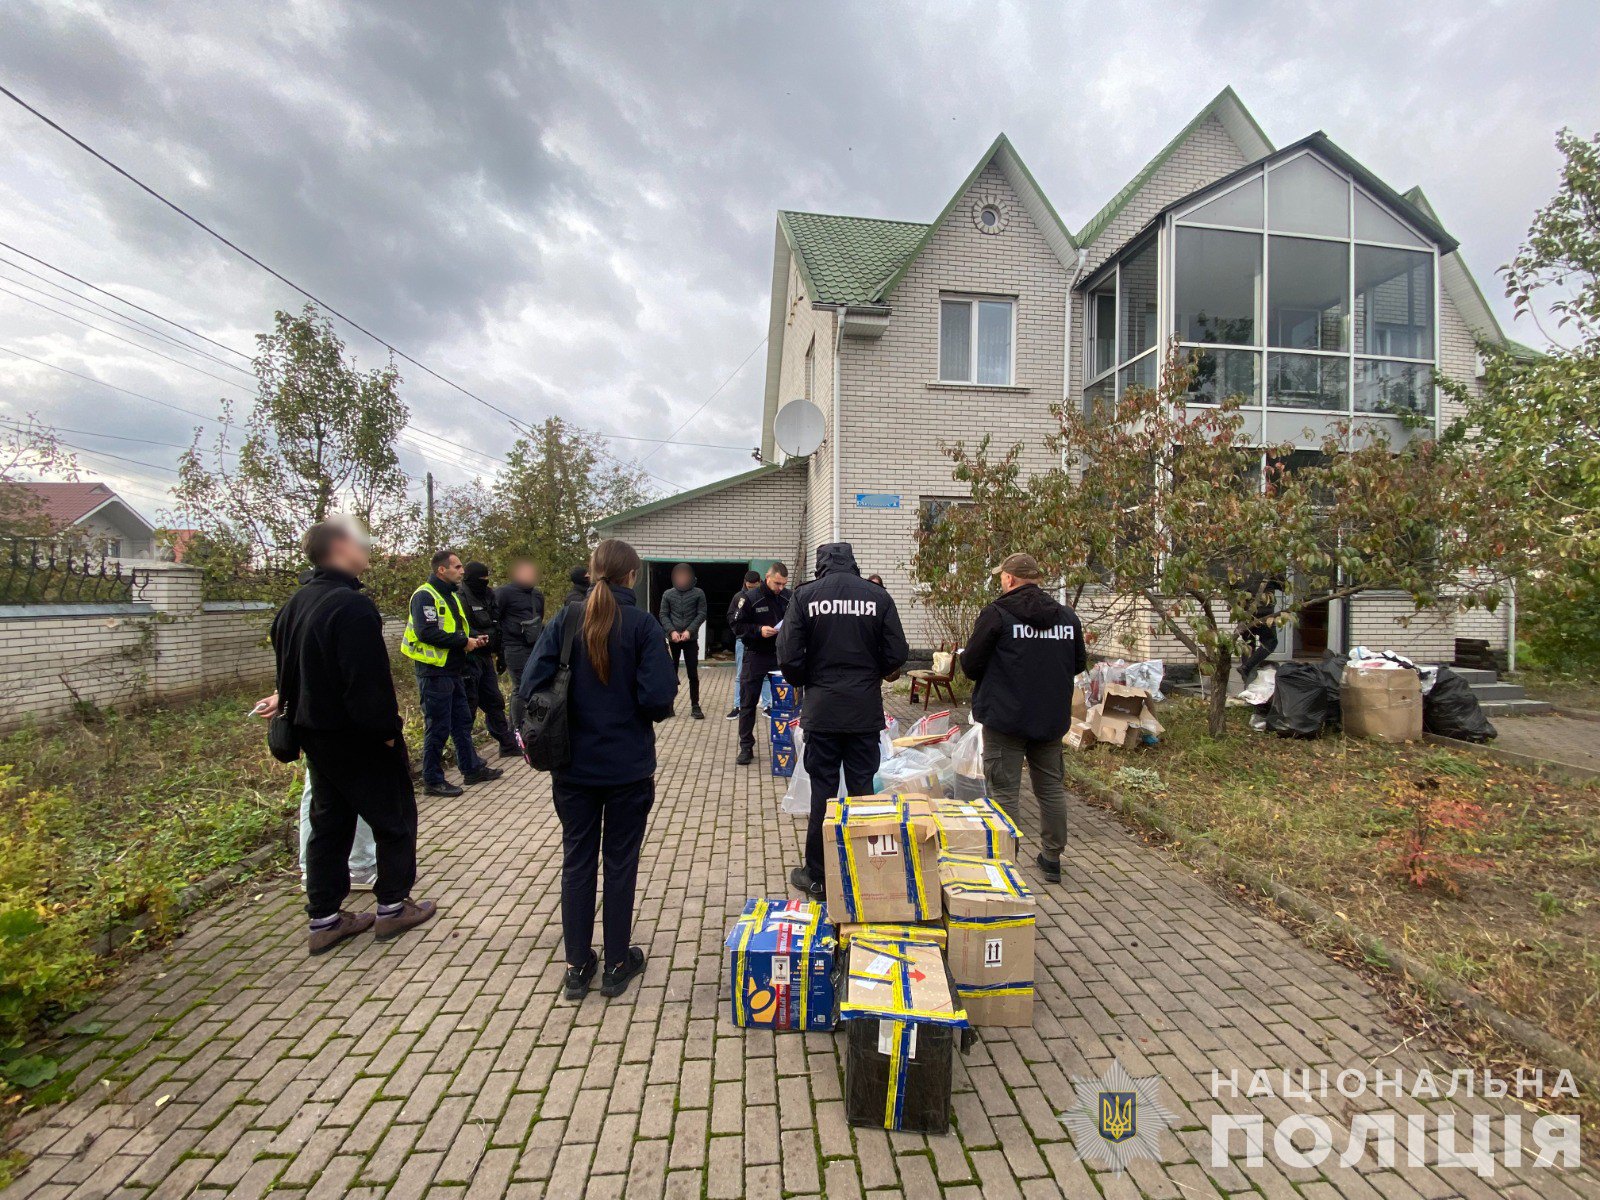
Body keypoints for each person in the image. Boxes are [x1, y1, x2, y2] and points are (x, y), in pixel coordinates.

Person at [269, 519, 435, 954]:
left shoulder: (296, 603)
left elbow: (289, 670)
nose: (367, 550)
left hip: (315, 737)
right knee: (394, 819)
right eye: (360, 543)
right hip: (358, 737)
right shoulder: (352, 606)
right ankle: (393, 908)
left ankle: (324, 919)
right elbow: (367, 682)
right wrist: (385, 734)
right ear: (340, 546)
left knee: (329, 824)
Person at [521, 538, 676, 1001]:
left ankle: (576, 966)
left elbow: (530, 684)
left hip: (571, 767)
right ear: (632, 576)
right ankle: (616, 963)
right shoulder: (643, 625)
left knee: (577, 860)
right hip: (627, 767)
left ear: (593, 573)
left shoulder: (566, 619)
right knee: (620, 863)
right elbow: (657, 697)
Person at [777, 543, 908, 898]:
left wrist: (812, 680)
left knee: (823, 790)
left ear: (821, 565)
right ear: (853, 563)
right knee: (863, 789)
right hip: (864, 711)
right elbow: (898, 652)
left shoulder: (805, 596)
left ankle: (817, 876)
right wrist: (869, 676)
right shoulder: (876, 596)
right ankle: (867, 869)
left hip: (822, 710)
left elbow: (788, 655)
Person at [958, 552, 1085, 884]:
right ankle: (1052, 858)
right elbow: (1079, 664)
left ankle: (1004, 863)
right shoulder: (1067, 618)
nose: (1001, 580)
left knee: (1005, 792)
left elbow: (970, 666)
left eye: (1002, 575)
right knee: (1051, 789)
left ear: (1010, 579)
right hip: (1049, 721)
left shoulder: (997, 614)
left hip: (1005, 721)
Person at [251, 690, 377, 890]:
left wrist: (282, 693)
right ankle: (358, 866)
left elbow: (294, 661)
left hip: (314, 712)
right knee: (358, 784)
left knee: (318, 788)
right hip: (337, 710)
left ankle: (313, 869)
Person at [402, 549, 504, 797]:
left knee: (461, 722)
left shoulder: (450, 596)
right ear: (441, 570)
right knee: (437, 727)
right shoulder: (425, 596)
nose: (462, 571)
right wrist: (462, 642)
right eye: (457, 567)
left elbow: (453, 629)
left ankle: (471, 769)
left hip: (454, 669)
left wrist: (471, 640)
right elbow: (427, 633)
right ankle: (432, 780)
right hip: (434, 672)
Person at [731, 561, 789, 765]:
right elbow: (736, 625)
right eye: (777, 583)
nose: (780, 588)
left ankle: (788, 745)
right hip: (755, 655)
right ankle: (746, 746)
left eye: (783, 584)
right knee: (747, 703)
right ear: (768, 577)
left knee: (787, 704)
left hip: (780, 656)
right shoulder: (749, 598)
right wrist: (758, 631)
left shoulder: (787, 597)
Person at [461, 562, 520, 758]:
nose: (484, 582)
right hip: (468, 658)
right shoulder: (460, 596)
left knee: (494, 701)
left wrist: (500, 653)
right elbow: (461, 627)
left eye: (487, 579)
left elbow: (498, 625)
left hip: (486, 657)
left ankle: (507, 744)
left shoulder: (489, 594)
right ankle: (468, 755)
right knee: (469, 706)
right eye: (481, 579)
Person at [495, 558, 545, 725]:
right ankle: (517, 729)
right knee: (521, 688)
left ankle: (531, 726)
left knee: (535, 686)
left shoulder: (537, 595)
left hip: (534, 647)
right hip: (514, 647)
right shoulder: (504, 593)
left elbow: (539, 617)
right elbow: (495, 619)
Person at [658, 563, 707, 719]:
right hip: (673, 640)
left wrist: (689, 631)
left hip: (690, 640)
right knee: (670, 674)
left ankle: (695, 705)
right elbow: (663, 614)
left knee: (692, 673)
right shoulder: (668, 594)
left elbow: (701, 614)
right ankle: (669, 705)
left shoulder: (699, 593)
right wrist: (671, 631)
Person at [725, 570, 761, 719]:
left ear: (760, 582)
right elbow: (731, 618)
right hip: (743, 639)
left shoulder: (765, 596)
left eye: (754, 586)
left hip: (762, 639)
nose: (751, 589)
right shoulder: (739, 597)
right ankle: (738, 705)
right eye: (749, 586)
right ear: (745, 583)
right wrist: (740, 632)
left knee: (765, 676)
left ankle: (768, 705)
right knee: (740, 674)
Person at [1238, 576, 1284, 681]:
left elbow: (1231, 588)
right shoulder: (1269, 569)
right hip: (1264, 613)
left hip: (1244, 613)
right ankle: (1246, 668)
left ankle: (1247, 682)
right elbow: (1284, 586)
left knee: (1248, 645)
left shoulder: (1239, 567)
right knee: (1271, 642)